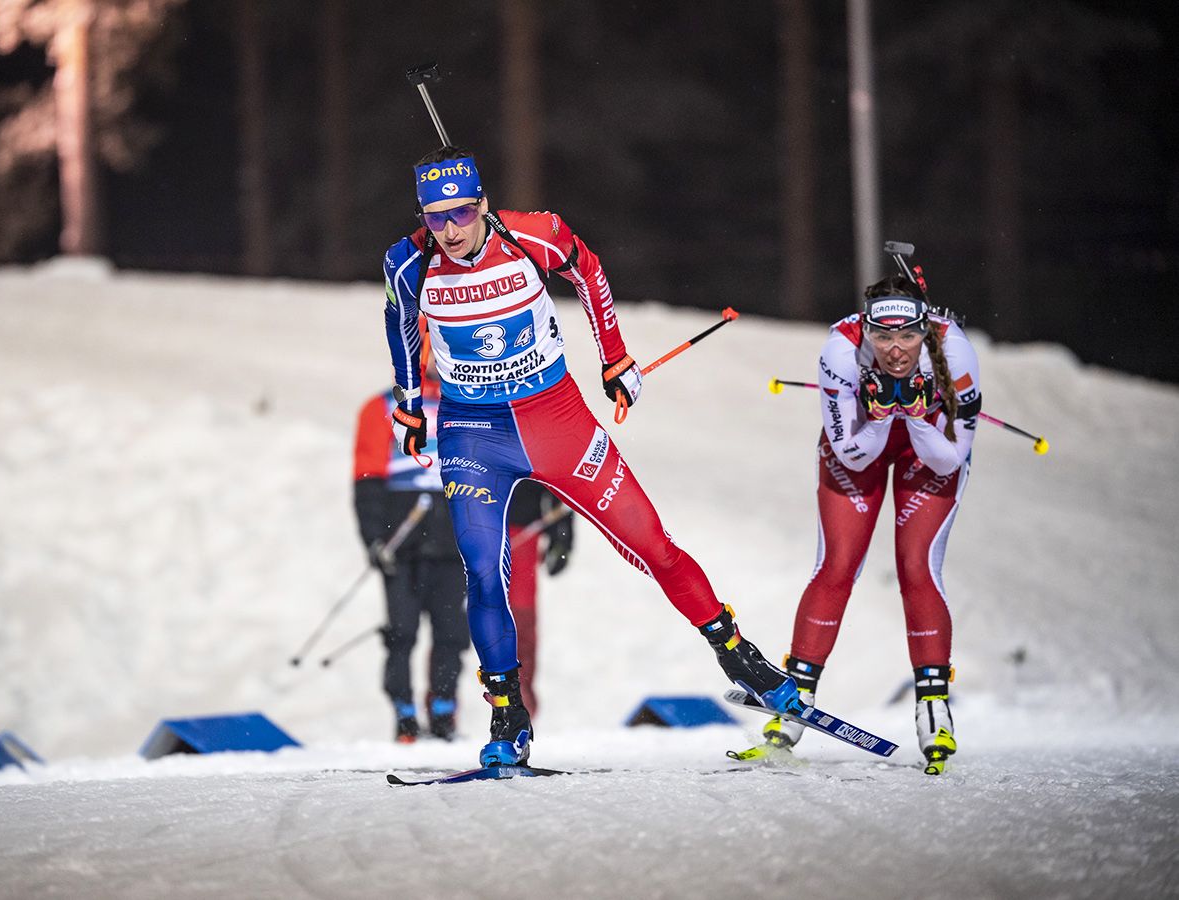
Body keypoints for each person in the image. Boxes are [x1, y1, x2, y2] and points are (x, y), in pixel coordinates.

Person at [381, 146, 802, 768]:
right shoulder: (408, 261)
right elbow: (400, 324)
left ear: (483, 204)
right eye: (435, 217)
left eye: (462, 213)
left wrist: (615, 356)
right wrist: (412, 402)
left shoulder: (534, 235)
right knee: (482, 570)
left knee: (650, 542)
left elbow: (590, 271)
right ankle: (508, 714)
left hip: (557, 418)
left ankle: (741, 656)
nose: (449, 230)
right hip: (474, 432)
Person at [756, 276, 980, 774]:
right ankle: (794, 703)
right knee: (836, 565)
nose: (895, 350)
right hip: (860, 445)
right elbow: (849, 453)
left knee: (916, 567)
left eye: (907, 337)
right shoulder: (840, 350)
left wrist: (918, 419)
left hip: (930, 453)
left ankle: (933, 709)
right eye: (882, 336)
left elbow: (950, 459)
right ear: (865, 330)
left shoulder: (956, 353)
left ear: (927, 328)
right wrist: (881, 418)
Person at [353, 338, 470, 743]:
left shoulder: (466, 404)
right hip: (400, 542)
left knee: (452, 631)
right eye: (437, 352)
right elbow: (366, 479)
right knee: (401, 631)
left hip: (452, 539)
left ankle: (443, 709)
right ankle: (403, 713)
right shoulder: (381, 408)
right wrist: (372, 539)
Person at [504, 479, 573, 715]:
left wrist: (562, 539)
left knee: (520, 620)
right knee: (453, 622)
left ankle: (521, 697)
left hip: (522, 530)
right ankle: (442, 706)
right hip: (472, 530)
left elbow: (557, 478)